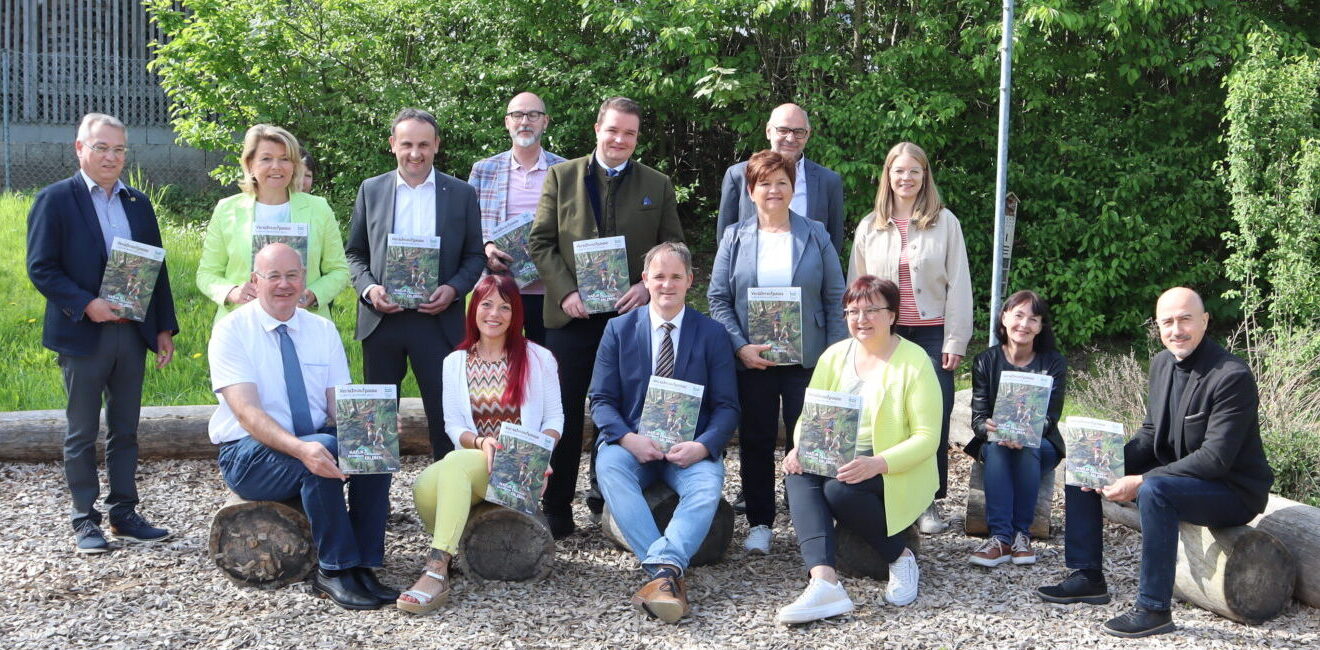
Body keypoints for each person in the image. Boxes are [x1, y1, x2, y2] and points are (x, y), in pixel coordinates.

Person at [1038, 287, 1274, 638]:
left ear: (1205, 321)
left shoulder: (1231, 376)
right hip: (1181, 477)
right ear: (1159, 327)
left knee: (1156, 490)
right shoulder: (1163, 363)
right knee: (1086, 464)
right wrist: (1104, 460)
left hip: (1231, 490)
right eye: (1168, 322)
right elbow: (1151, 434)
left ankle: (1153, 609)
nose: (1176, 330)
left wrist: (1141, 480)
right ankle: (1087, 576)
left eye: (1185, 320)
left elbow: (1215, 459)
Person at [209, 243, 397, 610]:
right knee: (319, 451)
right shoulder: (231, 331)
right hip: (248, 453)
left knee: (373, 447)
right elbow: (247, 413)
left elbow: (337, 405)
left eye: (292, 275)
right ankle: (333, 569)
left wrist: (373, 429)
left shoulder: (321, 330)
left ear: (303, 279)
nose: (284, 284)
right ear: (254, 280)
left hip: (311, 439)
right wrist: (301, 448)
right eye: (273, 276)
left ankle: (364, 563)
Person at [528, 96, 684, 538]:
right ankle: (556, 505)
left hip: (630, 318)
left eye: (629, 133)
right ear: (598, 129)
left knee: (623, 410)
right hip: (572, 318)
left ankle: (608, 499)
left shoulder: (658, 183)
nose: (620, 139)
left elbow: (672, 245)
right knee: (565, 411)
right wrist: (566, 292)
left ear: (637, 138)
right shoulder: (561, 177)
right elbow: (541, 243)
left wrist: (645, 286)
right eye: (613, 130)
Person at [26, 112, 179, 553]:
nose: (111, 157)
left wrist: (163, 327)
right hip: (83, 334)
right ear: (80, 149)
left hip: (131, 334)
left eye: (118, 149)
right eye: (101, 148)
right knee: (81, 431)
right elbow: (41, 268)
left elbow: (157, 268)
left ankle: (124, 513)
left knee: (126, 428)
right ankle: (84, 519)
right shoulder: (55, 200)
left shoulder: (138, 203)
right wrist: (85, 303)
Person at [776, 276, 939, 624]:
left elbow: (927, 437)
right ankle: (824, 582)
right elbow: (809, 414)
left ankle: (901, 557)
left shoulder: (915, 361)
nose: (860, 319)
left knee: (839, 489)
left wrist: (877, 463)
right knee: (797, 475)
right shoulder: (835, 355)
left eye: (871, 310)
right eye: (852, 311)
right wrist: (799, 447)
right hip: (836, 456)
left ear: (892, 315)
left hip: (892, 465)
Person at [590, 242, 738, 624]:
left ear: (690, 280)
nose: (667, 284)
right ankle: (668, 570)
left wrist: (704, 447)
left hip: (689, 450)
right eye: (659, 276)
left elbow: (727, 407)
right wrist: (627, 438)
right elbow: (601, 399)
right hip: (632, 443)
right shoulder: (619, 330)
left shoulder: (712, 333)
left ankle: (661, 570)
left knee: (707, 487)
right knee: (610, 469)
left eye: (676, 276)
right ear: (645, 280)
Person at [707, 150, 846, 554]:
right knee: (756, 439)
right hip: (754, 361)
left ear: (792, 189)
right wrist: (740, 347)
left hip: (809, 360)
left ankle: (813, 521)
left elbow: (835, 294)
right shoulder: (734, 237)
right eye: (764, 183)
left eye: (781, 182)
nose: (773, 190)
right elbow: (718, 299)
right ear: (750, 190)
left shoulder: (815, 233)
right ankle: (760, 523)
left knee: (812, 442)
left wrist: (834, 359)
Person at [399, 274, 562, 613]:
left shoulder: (539, 357)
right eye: (486, 304)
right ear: (473, 309)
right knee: (422, 486)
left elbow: (554, 420)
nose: (494, 314)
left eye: (505, 307)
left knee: (453, 464)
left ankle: (437, 568)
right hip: (474, 463)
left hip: (516, 468)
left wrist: (536, 455)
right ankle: (451, 534)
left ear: (516, 314)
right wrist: (482, 442)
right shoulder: (454, 362)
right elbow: (453, 425)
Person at [345, 108, 486, 459]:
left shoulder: (461, 193)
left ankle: (449, 499)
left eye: (424, 144)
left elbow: (475, 256)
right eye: (406, 144)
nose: (415, 153)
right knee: (374, 422)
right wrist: (370, 290)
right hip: (382, 321)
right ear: (393, 145)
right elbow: (355, 254)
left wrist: (453, 289)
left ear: (437, 145)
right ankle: (371, 508)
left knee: (447, 417)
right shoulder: (371, 190)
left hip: (438, 322)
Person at [846, 141, 972, 534]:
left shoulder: (945, 222)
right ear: (888, 176)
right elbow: (857, 287)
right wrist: (858, 336)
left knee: (932, 415)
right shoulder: (870, 225)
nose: (906, 178)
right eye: (898, 171)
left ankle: (928, 502)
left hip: (933, 332)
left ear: (924, 176)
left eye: (914, 171)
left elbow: (960, 285)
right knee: (887, 412)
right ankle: (888, 490)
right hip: (887, 333)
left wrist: (955, 339)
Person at [196, 124, 349, 322]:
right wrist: (232, 292)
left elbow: (339, 271)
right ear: (250, 164)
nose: (276, 166)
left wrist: (312, 295)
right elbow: (207, 273)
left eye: (284, 159)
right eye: (266, 159)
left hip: (305, 321)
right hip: (242, 322)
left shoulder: (319, 209)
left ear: (294, 165)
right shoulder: (227, 210)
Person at [965, 290, 1066, 566]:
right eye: (1018, 315)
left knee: (1027, 448)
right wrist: (993, 431)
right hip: (996, 441)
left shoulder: (1053, 362)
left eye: (1033, 319)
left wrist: (1025, 433)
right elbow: (978, 420)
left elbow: (1050, 419)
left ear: (1041, 326)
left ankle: (1021, 534)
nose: (1024, 324)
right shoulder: (986, 361)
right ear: (1004, 317)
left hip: (1041, 444)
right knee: (998, 447)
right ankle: (1002, 538)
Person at [468, 92, 568, 345]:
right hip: (499, 290)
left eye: (533, 115)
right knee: (496, 365)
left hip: (551, 292)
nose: (525, 121)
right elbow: (467, 226)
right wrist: (487, 246)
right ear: (507, 122)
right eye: (517, 115)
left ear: (545, 121)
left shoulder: (566, 170)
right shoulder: (484, 170)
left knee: (547, 367)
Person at [716, 103, 845, 253]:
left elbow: (834, 243)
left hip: (808, 276)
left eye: (799, 131)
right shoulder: (739, 176)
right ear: (768, 131)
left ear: (808, 134)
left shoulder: (829, 181)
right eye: (783, 130)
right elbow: (725, 240)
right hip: (751, 274)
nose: (790, 138)